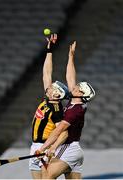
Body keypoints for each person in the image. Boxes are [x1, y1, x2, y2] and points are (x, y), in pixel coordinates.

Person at [37, 41, 96, 179]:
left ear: (82, 95)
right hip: (75, 150)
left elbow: (59, 130)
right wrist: (71, 56)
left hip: (69, 148)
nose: (75, 86)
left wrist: (45, 147)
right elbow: (70, 77)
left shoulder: (74, 111)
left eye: (79, 88)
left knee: (47, 176)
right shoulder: (74, 102)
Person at [29, 34, 70, 179]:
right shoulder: (48, 99)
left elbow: (64, 133)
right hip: (35, 147)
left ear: (57, 95)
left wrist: (49, 149)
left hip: (43, 148)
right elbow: (46, 73)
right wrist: (49, 50)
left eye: (53, 88)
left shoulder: (56, 109)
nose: (49, 87)